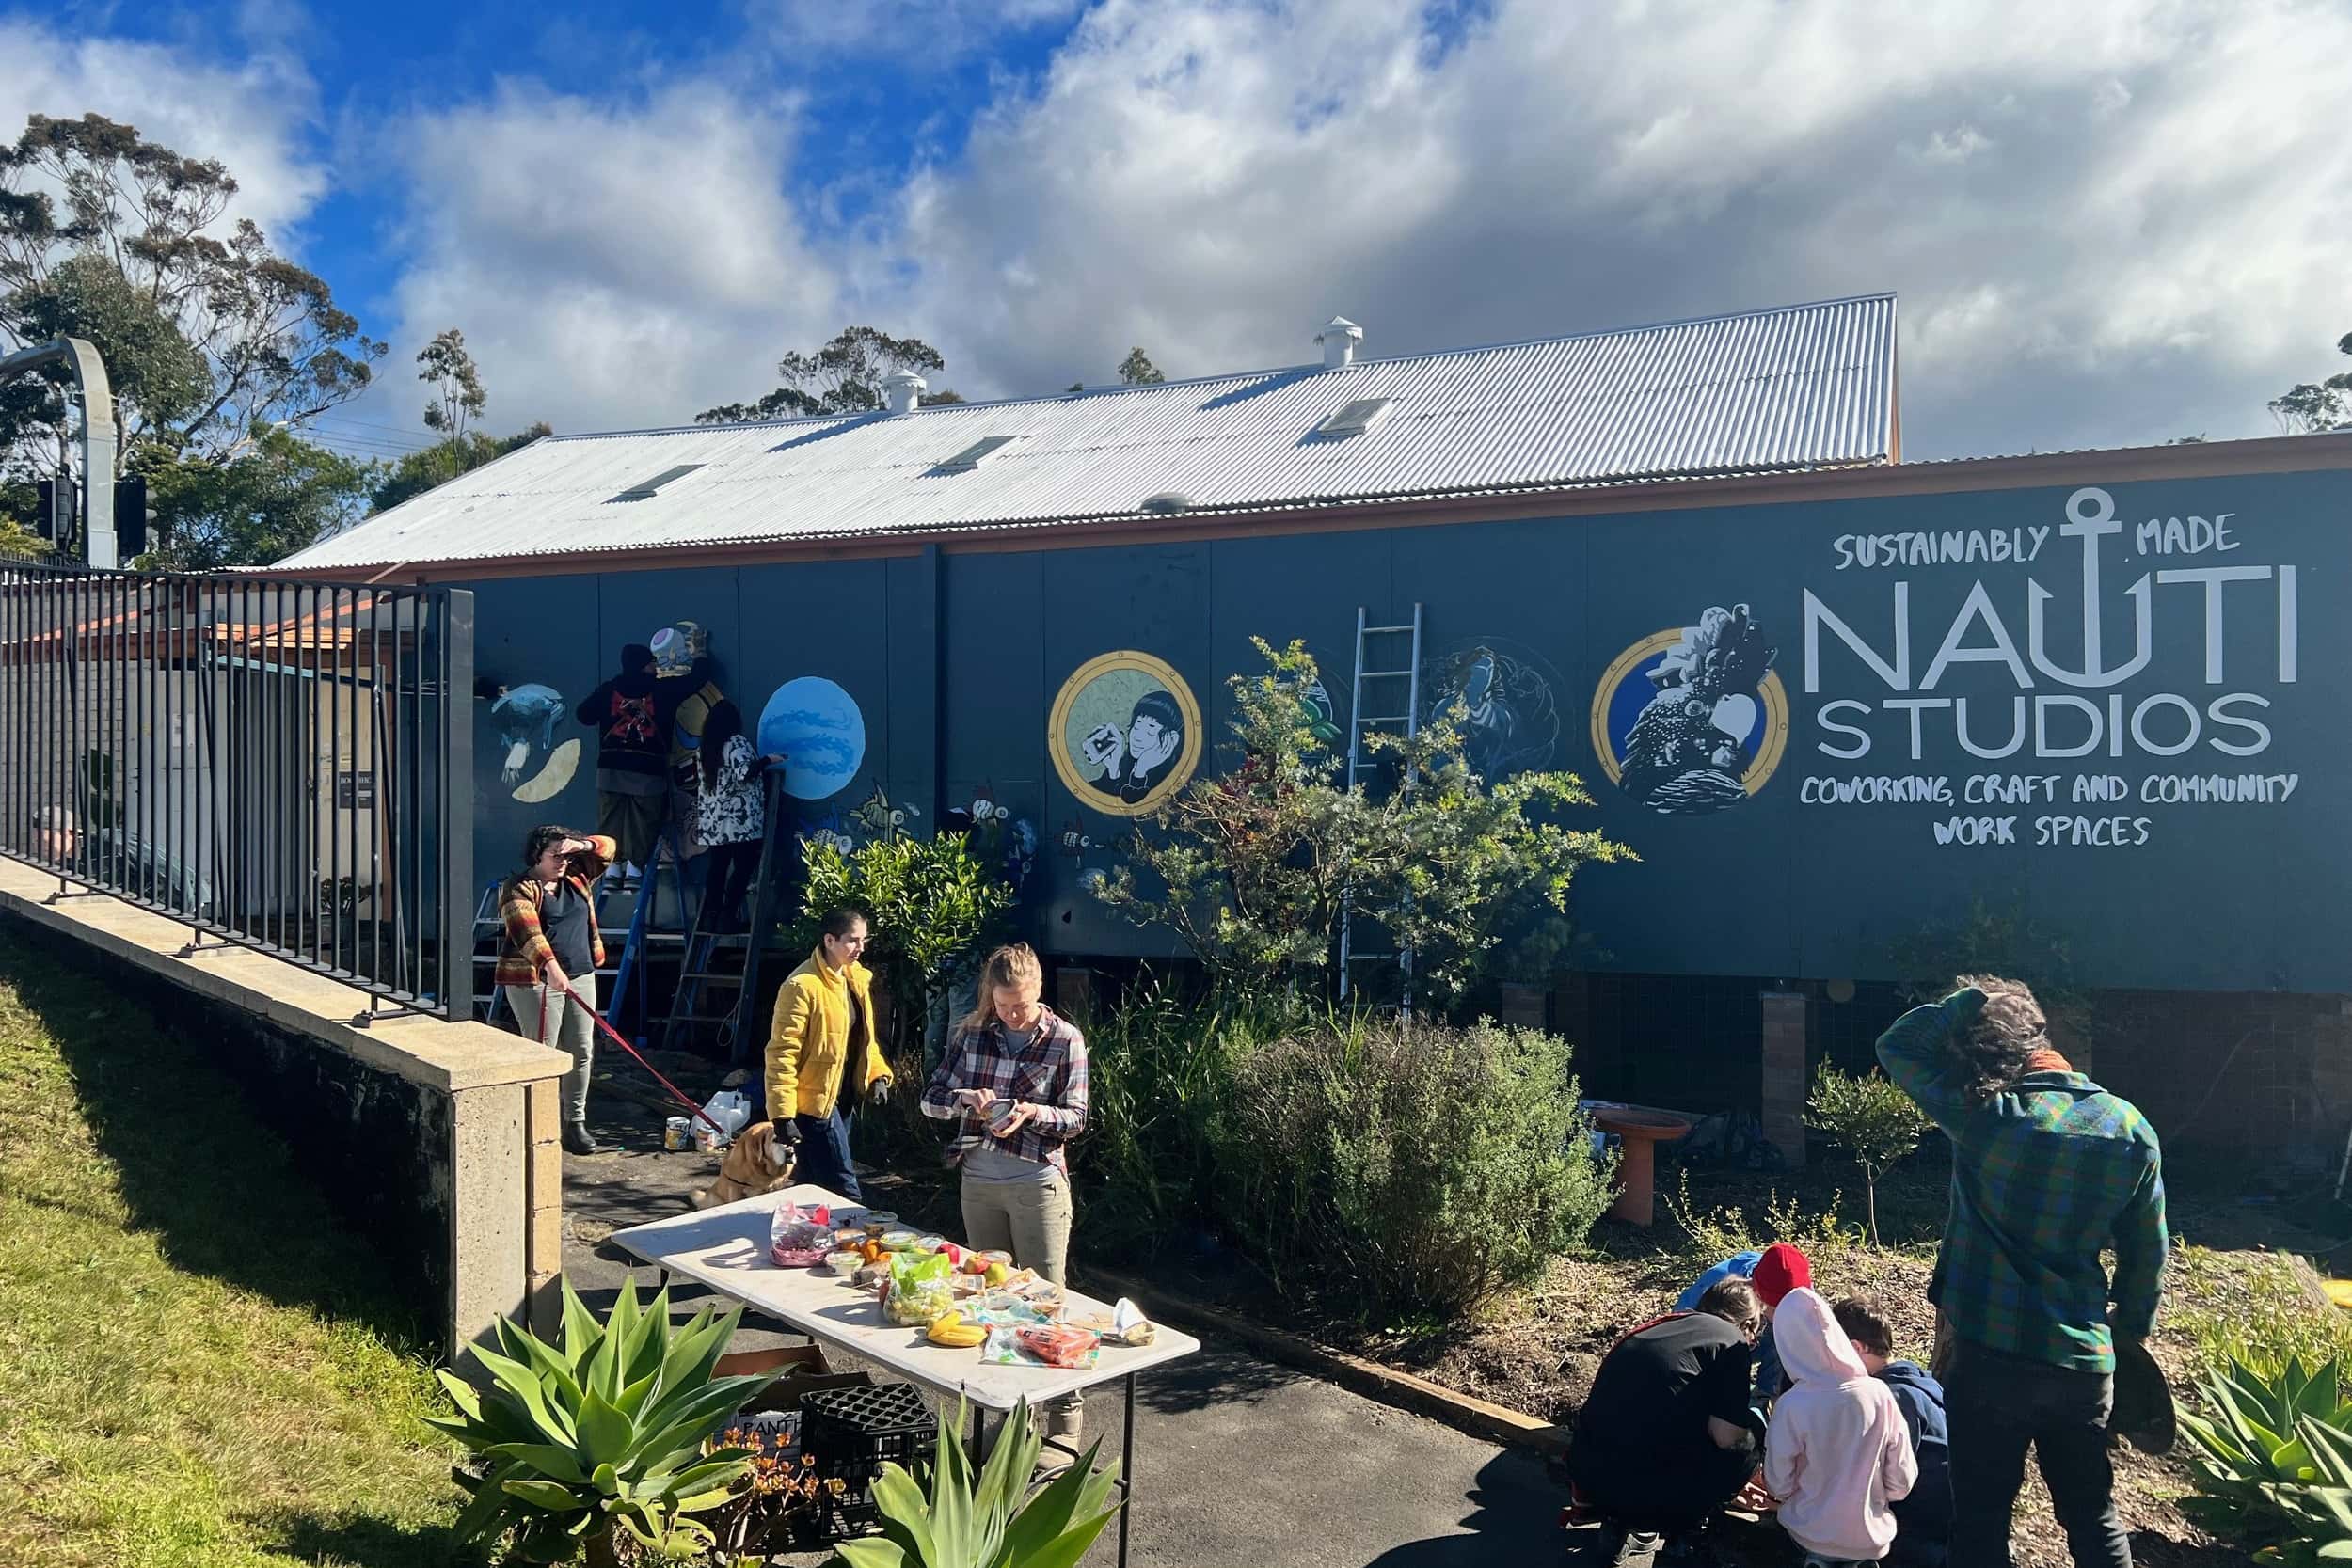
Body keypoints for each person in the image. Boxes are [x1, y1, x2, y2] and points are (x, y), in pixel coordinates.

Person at [1877, 977, 2167, 1568]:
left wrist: (1973, 999)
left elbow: (1898, 1046)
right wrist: (2128, 1331)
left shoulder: (1986, 1117)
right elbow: (2146, 1259)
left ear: (1988, 1055)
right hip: (2083, 1362)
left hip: (1991, 1356)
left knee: (1980, 1516)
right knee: (2092, 1512)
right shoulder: (2132, 1128)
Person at [921, 942, 1090, 1457]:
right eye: (1003, 1004)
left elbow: (1077, 1117)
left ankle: (1064, 1415)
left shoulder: (1065, 1039)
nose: (1012, 1013)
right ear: (989, 997)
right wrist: (963, 1102)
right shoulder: (973, 1032)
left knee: (1047, 1301)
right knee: (992, 1302)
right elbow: (931, 1099)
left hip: (1036, 1182)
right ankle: (1011, 1414)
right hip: (978, 1180)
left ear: (1039, 989)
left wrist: (1032, 1113)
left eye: (1020, 1003)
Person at [1568, 1276, 1767, 1563]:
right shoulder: (1732, 1343)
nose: (1752, 1342)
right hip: (1650, 1494)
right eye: (1755, 1334)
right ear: (1746, 1326)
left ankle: (1617, 1525)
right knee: (1746, 1446)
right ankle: (1684, 1536)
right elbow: (1727, 1438)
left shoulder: (1662, 1326)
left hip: (1590, 1475)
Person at [1764, 1287, 1918, 1568]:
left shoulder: (1793, 1404)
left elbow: (1778, 1482)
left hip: (1808, 1533)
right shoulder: (1880, 1394)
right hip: (1870, 1539)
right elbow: (1902, 1478)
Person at [497, 826, 615, 1155]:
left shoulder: (578, 876)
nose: (563, 862)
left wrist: (582, 844)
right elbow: (528, 935)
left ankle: (575, 1123)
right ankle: (538, 1124)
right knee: (543, 1052)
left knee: (581, 1050)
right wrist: (552, 969)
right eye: (555, 856)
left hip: (581, 974)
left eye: (568, 855)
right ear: (537, 855)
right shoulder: (518, 888)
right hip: (535, 980)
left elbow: (608, 849)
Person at [765, 907, 893, 1201]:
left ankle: (797, 1242)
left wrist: (877, 1074)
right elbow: (781, 1054)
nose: (860, 948)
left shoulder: (855, 980)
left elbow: (862, 1039)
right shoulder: (801, 986)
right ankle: (853, 1240)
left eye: (863, 940)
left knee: (809, 1183)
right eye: (852, 940)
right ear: (829, 941)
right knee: (845, 1190)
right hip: (815, 1104)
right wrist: (782, 1115)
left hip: (843, 1096)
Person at [576, 639, 716, 874]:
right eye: (652, 662)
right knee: (644, 820)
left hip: (610, 768)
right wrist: (700, 652)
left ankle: (610, 868)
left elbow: (583, 715)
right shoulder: (662, 689)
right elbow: (696, 680)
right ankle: (634, 867)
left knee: (610, 819)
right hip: (647, 769)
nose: (656, 667)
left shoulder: (609, 689)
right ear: (643, 665)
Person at [1834, 1295, 1952, 1567]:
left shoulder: (1892, 1399)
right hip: (1943, 1520)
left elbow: (1874, 1482)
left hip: (1918, 1533)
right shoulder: (1919, 1383)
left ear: (1856, 1348)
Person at [1678, 1242, 1811, 1404]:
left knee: (1786, 1333)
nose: (1787, 1313)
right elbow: (1684, 1339)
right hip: (1704, 1342)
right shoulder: (1717, 1287)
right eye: (1779, 1306)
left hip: (1753, 1333)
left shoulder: (1802, 1290)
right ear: (1756, 1291)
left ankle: (1764, 1397)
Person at [692, 700, 772, 929]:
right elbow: (745, 773)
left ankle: (711, 915)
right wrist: (768, 760)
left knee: (717, 868)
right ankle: (729, 915)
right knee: (744, 867)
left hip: (713, 822)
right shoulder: (736, 742)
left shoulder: (705, 747)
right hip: (740, 821)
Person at [1080, 689, 1185, 805]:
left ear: (1172, 739)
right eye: (1137, 725)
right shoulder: (1125, 764)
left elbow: (1132, 803)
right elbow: (1095, 800)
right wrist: (1113, 771)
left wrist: (1140, 771)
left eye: (1150, 729)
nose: (1138, 737)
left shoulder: (1171, 778)